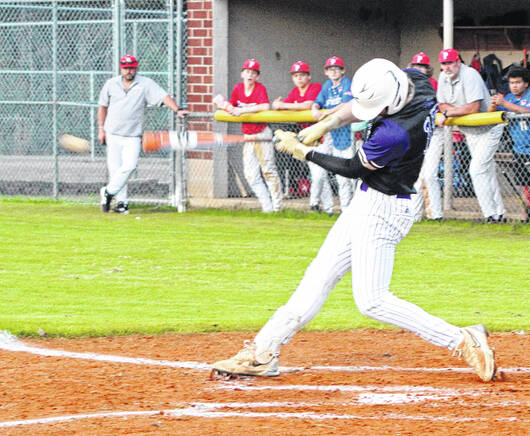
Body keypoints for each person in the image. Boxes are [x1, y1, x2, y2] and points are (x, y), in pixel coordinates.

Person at [211, 58, 497, 383]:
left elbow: (353, 169)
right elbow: (358, 105)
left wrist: (303, 152)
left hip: (384, 210)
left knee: (372, 301)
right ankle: (263, 352)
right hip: (366, 202)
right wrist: (326, 124)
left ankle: (461, 339)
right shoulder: (414, 82)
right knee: (317, 278)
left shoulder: (395, 134)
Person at [97, 54, 188, 214]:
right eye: (125, 68)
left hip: (133, 135)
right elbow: (102, 107)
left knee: (129, 166)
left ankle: (107, 192)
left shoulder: (145, 84)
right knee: (116, 170)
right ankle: (121, 204)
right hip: (113, 133)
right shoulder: (111, 84)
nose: (129, 71)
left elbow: (163, 96)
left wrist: (177, 109)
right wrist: (101, 129)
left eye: (131, 67)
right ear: (121, 68)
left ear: (136, 68)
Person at [435, 48, 505, 223]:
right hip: (470, 131)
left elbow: (473, 108)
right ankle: (500, 213)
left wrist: (450, 112)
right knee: (487, 171)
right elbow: (441, 104)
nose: (447, 67)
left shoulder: (470, 74)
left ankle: (489, 214)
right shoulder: (443, 77)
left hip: (489, 128)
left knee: (476, 170)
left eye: (450, 63)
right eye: (444, 63)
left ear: (458, 61)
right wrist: (453, 111)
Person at [214, 58, 283, 213]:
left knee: (268, 170)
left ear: (257, 76)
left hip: (262, 133)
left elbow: (265, 106)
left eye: (253, 72)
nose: (250, 75)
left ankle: (278, 208)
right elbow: (232, 106)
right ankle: (267, 207)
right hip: (248, 135)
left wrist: (243, 110)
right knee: (250, 174)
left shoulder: (260, 88)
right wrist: (223, 105)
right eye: (247, 72)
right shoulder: (238, 88)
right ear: (242, 74)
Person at [489, 66, 530, 222]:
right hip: (519, 149)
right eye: (512, 83)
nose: (514, 86)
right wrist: (494, 102)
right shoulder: (508, 98)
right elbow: (491, 113)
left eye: (518, 82)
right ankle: (527, 217)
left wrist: (504, 103)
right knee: (524, 187)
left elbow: (527, 112)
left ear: (526, 83)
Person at [272, 61, 332, 214]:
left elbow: (308, 104)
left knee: (319, 175)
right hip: (307, 138)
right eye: (296, 75)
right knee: (319, 174)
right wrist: (277, 104)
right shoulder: (294, 92)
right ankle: (329, 209)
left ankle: (314, 204)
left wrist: (283, 105)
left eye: (302, 75)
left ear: (309, 76)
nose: (299, 78)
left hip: (322, 135)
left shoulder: (315, 87)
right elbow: (280, 106)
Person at [311, 56, 355, 211]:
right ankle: (345, 209)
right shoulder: (327, 85)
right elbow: (318, 101)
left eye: (337, 68)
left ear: (343, 71)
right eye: (330, 69)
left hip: (349, 134)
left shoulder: (347, 83)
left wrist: (328, 112)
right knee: (340, 175)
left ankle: (352, 208)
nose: (334, 71)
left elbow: (346, 103)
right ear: (326, 72)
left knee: (352, 177)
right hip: (334, 134)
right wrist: (315, 108)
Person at [406, 52, 444, 221]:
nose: (419, 69)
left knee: (429, 175)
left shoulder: (434, 83)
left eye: (422, 66)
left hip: (434, 132)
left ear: (428, 69)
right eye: (416, 66)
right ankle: (414, 215)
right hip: (416, 132)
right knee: (415, 174)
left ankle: (436, 215)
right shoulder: (407, 85)